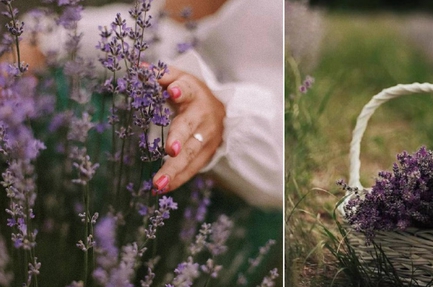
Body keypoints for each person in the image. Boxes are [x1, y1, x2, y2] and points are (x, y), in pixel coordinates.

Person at [20, 0, 284, 209]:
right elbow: (144, 31)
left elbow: (284, 158)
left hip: (238, 210)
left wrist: (223, 117)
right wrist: (42, 40)